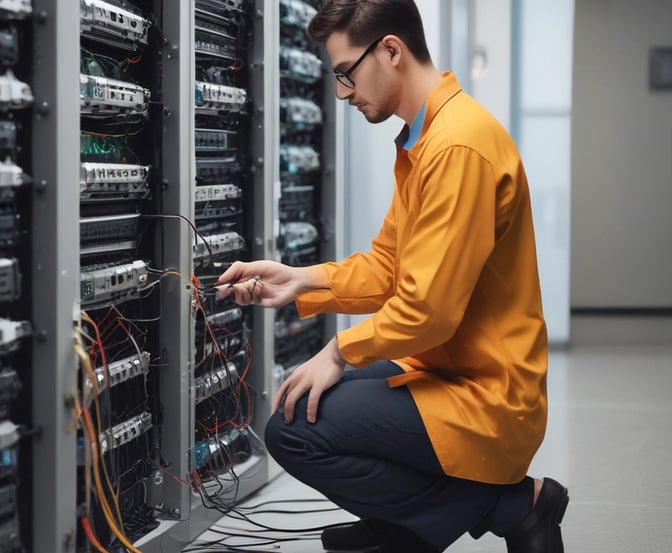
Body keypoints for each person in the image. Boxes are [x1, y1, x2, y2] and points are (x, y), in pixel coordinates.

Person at [216, 0, 568, 551]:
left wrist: (336, 353)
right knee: (300, 398)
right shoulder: (425, 139)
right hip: (446, 367)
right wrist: (301, 279)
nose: (341, 93)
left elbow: (427, 310)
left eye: (344, 74)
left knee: (293, 428)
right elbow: (389, 266)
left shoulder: (457, 146)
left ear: (391, 51)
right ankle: (403, 525)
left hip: (488, 395)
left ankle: (514, 505)